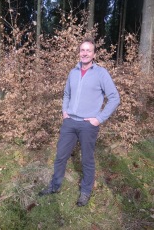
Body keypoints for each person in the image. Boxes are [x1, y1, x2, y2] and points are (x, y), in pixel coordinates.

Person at [39, 37, 120, 206]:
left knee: (87, 160)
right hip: (69, 123)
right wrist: (64, 110)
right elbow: (67, 94)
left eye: (88, 50)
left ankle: (85, 191)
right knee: (61, 156)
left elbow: (114, 98)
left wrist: (99, 119)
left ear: (94, 54)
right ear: (79, 53)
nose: (85, 53)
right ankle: (54, 186)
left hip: (88, 125)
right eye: (82, 50)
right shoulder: (73, 72)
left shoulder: (101, 73)